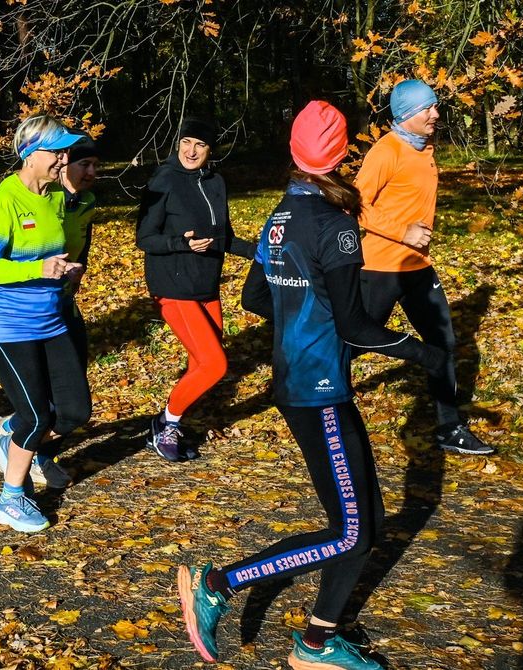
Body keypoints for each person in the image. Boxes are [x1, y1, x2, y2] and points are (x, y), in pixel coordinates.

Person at [176, 101, 449, 670]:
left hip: (303, 380)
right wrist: (424, 353)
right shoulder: (337, 227)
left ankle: (319, 642)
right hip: (316, 390)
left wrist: (300, 312)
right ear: (342, 154)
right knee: (352, 532)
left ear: (296, 152)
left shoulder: (282, 214)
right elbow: (355, 326)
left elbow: (255, 297)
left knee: (364, 522)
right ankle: (220, 582)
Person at [354, 79, 494, 456]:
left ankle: (450, 428)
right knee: (356, 340)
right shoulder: (386, 151)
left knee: (443, 342)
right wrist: (402, 231)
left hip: (418, 266)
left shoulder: (425, 146)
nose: (435, 114)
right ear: (405, 115)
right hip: (382, 266)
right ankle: (312, 384)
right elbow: (355, 203)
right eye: (426, 109)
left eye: (435, 106)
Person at [0, 115, 89, 533]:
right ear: (30, 154)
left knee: (75, 409)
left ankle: (8, 430)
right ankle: (10, 498)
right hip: (7, 327)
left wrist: (65, 269)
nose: (64, 159)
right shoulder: (5, 199)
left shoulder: (56, 196)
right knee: (37, 416)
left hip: (50, 319)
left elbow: (50, 252)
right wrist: (37, 268)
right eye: (56, 152)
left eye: (65, 151)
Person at [137, 118, 256, 461]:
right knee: (214, 364)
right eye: (186, 142)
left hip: (206, 286)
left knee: (199, 363)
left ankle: (172, 423)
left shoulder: (216, 182)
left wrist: (258, 252)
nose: (191, 151)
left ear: (210, 150)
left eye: (200, 145)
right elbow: (144, 238)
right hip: (172, 286)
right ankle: (165, 425)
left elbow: (223, 236)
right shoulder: (164, 179)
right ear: (178, 144)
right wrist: (180, 243)